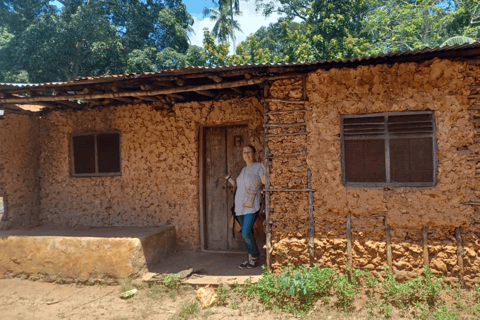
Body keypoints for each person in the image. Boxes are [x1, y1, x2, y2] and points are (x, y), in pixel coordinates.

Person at [225, 145, 265, 269]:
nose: (246, 154)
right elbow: (237, 186)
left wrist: (264, 169)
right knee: (247, 232)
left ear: (254, 153)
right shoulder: (243, 170)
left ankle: (255, 255)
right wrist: (229, 179)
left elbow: (264, 182)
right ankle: (249, 259)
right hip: (239, 206)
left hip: (252, 204)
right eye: (244, 152)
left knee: (246, 231)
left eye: (249, 152)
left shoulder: (259, 166)